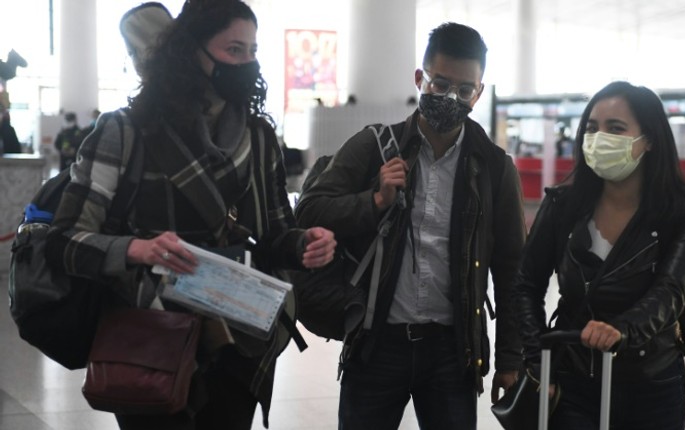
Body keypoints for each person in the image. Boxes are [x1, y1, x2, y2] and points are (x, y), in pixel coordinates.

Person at [49, 1, 336, 429]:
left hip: (240, 341)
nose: (246, 63)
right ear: (190, 51)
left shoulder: (259, 138)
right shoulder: (125, 131)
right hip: (151, 340)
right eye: (233, 50)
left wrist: (306, 244)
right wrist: (137, 249)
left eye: (252, 51)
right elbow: (64, 239)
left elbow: (276, 232)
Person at [295, 22, 526, 430]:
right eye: (440, 84)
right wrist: (375, 201)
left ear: (479, 93)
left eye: (464, 90)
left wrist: (510, 358)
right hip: (377, 341)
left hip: (453, 352)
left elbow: (511, 271)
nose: (451, 98)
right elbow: (310, 210)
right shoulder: (375, 145)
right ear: (420, 79)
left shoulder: (494, 168)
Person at [511, 81, 685, 430]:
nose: (599, 137)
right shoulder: (562, 206)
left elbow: (671, 292)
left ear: (648, 140)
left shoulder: (683, 211)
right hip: (573, 378)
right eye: (592, 128)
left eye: (616, 129)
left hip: (653, 382)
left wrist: (619, 330)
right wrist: (537, 362)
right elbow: (526, 284)